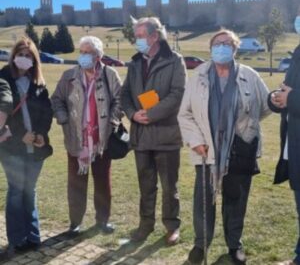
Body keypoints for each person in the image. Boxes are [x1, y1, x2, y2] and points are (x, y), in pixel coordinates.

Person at [178, 29, 270, 264]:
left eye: (227, 44)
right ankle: (201, 244)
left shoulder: (249, 75)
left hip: (240, 150)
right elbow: (185, 114)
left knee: (236, 199)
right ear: (210, 48)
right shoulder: (198, 75)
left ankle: (234, 245)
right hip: (206, 150)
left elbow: (265, 106)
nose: (221, 47)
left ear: (235, 49)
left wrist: (244, 129)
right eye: (217, 43)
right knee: (203, 201)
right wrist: (196, 140)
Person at [121, 17, 186, 245]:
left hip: (166, 136)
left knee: (170, 187)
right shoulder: (135, 63)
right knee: (145, 185)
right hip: (141, 136)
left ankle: (172, 227)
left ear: (154, 36)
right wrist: (132, 114)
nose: (136, 41)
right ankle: (145, 225)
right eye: (136, 36)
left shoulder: (175, 61)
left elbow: (178, 94)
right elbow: (125, 94)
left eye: (139, 36)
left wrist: (152, 113)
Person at [51, 36, 122, 235]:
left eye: (87, 52)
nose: (83, 56)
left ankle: (103, 221)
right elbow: (56, 100)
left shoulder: (110, 75)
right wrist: (64, 119)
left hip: (101, 140)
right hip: (76, 140)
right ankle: (75, 223)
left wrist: (112, 121)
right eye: (81, 51)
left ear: (98, 56)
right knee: (76, 184)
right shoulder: (68, 76)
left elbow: (119, 100)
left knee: (102, 183)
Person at [0, 37, 53, 260]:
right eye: (20, 54)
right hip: (13, 147)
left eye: (28, 55)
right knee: (16, 191)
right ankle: (17, 239)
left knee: (29, 191)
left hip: (36, 149)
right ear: (14, 56)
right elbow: (4, 111)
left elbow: (46, 112)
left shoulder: (39, 84)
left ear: (34, 59)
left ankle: (33, 235)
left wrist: (40, 134)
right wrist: (23, 135)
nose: (24, 58)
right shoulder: (4, 78)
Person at [270, 14, 300, 265]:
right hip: (295, 144)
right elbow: (287, 90)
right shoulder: (298, 54)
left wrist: (291, 99)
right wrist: (277, 99)